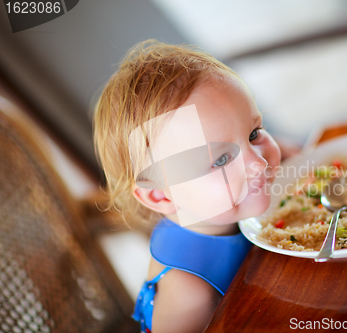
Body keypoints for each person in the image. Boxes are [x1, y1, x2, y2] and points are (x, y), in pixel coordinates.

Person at [93, 39, 281, 333]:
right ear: (160, 195)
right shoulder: (190, 295)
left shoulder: (208, 210)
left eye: (254, 133)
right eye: (221, 160)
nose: (258, 163)